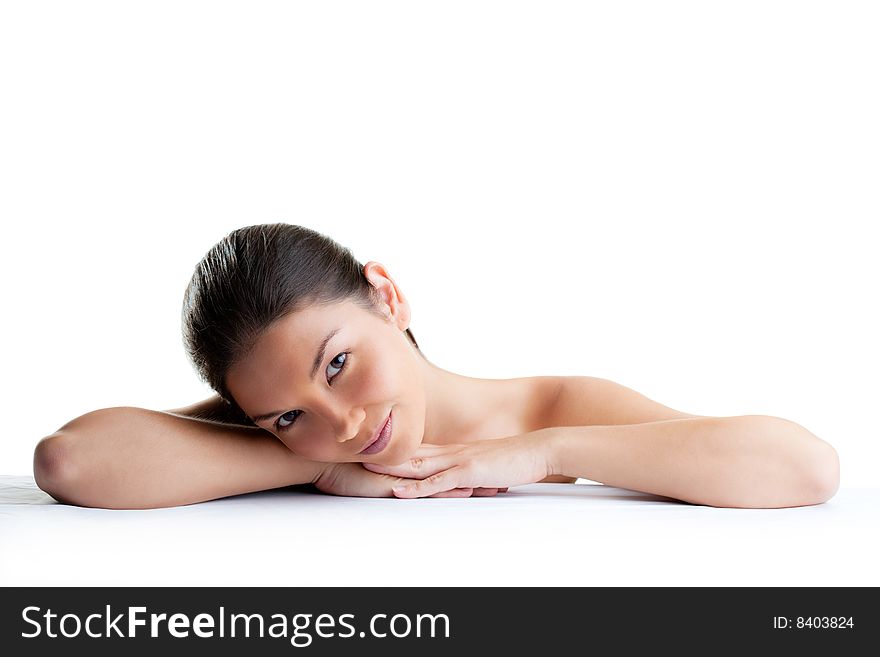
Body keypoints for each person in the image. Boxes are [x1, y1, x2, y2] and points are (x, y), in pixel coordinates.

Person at [32, 223, 840, 510]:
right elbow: (72, 460)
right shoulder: (305, 446)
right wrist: (310, 469)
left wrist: (543, 453)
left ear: (386, 295)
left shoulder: (556, 405)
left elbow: (805, 468)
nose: (341, 422)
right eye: (285, 415)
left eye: (339, 362)